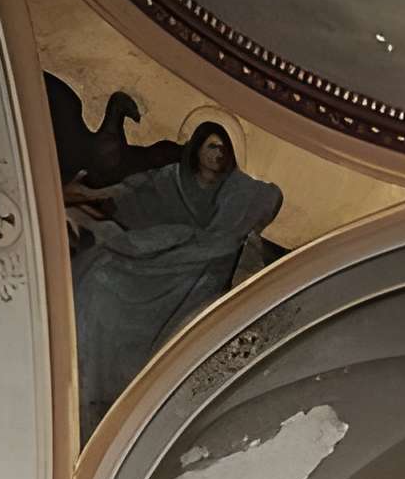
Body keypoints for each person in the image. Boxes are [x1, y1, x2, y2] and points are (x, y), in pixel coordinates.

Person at [70, 122, 282, 427]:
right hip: (168, 257)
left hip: (202, 266)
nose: (218, 154)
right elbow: (135, 187)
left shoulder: (237, 190)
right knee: (102, 276)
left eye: (224, 149)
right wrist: (96, 195)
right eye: (211, 146)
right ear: (196, 149)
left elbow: (234, 230)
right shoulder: (174, 179)